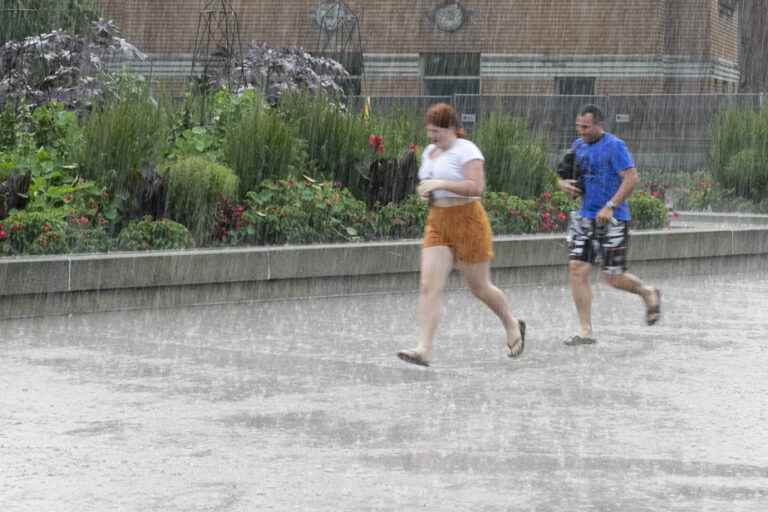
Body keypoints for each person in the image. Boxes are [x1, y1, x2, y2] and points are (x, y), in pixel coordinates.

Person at [396, 103, 526, 367]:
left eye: (438, 132)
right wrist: (427, 192)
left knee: (479, 287)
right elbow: (429, 183)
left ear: (453, 129)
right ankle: (424, 348)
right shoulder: (429, 152)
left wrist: (442, 183)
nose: (432, 138)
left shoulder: (467, 150)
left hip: (468, 220)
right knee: (428, 286)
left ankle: (512, 324)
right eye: (430, 132)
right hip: (438, 221)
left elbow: (477, 187)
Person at [557, 104, 661, 346]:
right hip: (584, 217)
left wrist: (611, 205)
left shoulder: (615, 146)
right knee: (577, 269)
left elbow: (631, 178)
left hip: (613, 219)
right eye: (578, 126)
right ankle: (585, 331)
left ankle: (648, 292)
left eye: (586, 126)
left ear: (599, 125)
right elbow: (565, 174)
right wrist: (562, 184)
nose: (581, 131)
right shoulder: (578, 146)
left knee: (613, 277)